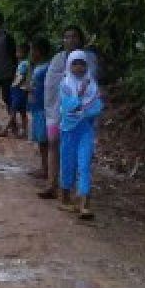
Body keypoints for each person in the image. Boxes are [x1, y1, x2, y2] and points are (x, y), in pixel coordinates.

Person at [38, 25, 97, 200]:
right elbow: (50, 86)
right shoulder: (57, 59)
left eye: (74, 37)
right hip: (56, 111)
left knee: (76, 150)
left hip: (79, 115)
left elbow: (91, 87)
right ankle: (52, 184)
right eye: (66, 37)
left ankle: (74, 189)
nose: (70, 40)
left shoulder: (88, 60)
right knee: (54, 143)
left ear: (80, 40)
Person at [57, 50, 103, 219]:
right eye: (75, 63)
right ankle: (65, 198)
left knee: (84, 164)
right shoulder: (65, 85)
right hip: (68, 130)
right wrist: (80, 96)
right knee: (67, 163)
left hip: (85, 130)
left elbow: (97, 107)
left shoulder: (92, 85)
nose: (79, 67)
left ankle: (84, 203)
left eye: (82, 63)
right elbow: (67, 106)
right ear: (70, 65)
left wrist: (82, 108)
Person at [27, 36, 52, 183]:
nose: (31, 52)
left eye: (32, 50)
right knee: (41, 140)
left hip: (43, 107)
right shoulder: (38, 66)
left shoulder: (46, 67)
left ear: (39, 51)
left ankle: (46, 169)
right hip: (37, 106)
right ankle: (44, 167)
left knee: (44, 141)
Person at [3, 39, 31, 137]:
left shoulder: (23, 64)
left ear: (24, 53)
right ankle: (24, 130)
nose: (16, 53)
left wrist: (14, 85)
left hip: (19, 89)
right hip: (22, 89)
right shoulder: (24, 63)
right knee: (22, 111)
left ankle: (6, 129)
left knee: (13, 110)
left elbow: (21, 76)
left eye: (18, 51)